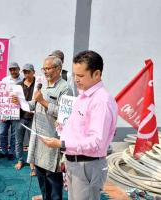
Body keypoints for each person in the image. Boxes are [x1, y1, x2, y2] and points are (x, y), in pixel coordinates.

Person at [40, 50, 118, 200]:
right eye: (75, 75)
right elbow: (79, 128)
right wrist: (62, 127)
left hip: (87, 166)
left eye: (81, 76)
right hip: (75, 163)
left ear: (96, 74)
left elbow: (96, 143)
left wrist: (62, 143)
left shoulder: (101, 101)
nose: (76, 79)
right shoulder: (84, 95)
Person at [27, 56, 73, 200]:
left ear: (58, 69)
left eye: (48, 68)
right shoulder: (42, 85)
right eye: (44, 68)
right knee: (41, 177)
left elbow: (65, 114)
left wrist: (43, 101)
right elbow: (33, 105)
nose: (45, 71)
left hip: (52, 139)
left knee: (53, 178)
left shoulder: (65, 88)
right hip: (38, 138)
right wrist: (19, 102)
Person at [0, 62, 23, 160]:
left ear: (19, 69)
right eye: (11, 69)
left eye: (15, 69)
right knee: (2, 132)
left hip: (17, 112)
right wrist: (2, 112)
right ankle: (3, 151)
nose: (13, 71)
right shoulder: (4, 80)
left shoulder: (23, 80)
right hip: (4, 111)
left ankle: (11, 152)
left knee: (14, 133)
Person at [14, 63, 37, 176]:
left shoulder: (39, 84)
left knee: (33, 142)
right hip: (20, 117)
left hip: (34, 117)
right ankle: (20, 160)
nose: (26, 74)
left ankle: (32, 164)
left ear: (34, 72)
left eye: (28, 71)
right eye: (25, 72)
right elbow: (12, 99)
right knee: (19, 141)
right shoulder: (18, 85)